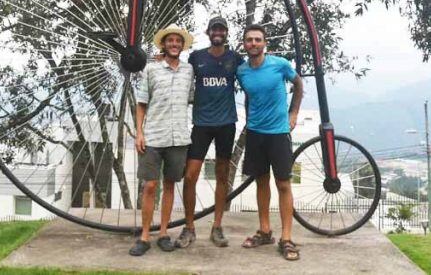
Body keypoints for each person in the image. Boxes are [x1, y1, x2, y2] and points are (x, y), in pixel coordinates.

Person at [174, 16, 243, 249]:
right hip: (201, 124)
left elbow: (253, 74)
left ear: (226, 33)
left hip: (226, 124)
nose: (218, 32)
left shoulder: (234, 58)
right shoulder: (196, 58)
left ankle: (217, 226)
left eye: (222, 29)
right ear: (208, 31)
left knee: (222, 176)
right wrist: (162, 58)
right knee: (191, 175)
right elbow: (179, 73)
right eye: (214, 28)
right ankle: (189, 227)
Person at [236, 23, 303, 261]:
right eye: (249, 40)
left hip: (278, 133)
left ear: (264, 43)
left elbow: (298, 84)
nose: (253, 43)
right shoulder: (242, 71)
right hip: (255, 134)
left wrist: (293, 114)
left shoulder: (279, 65)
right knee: (261, 183)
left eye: (257, 40)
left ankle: (286, 238)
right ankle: (265, 231)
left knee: (283, 184)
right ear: (244, 44)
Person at [129, 24, 195, 257]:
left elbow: (191, 98)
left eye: (178, 41)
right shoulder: (151, 70)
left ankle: (164, 233)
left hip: (178, 138)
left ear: (182, 45)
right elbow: (141, 103)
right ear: (164, 44)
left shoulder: (189, 71)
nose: (174, 44)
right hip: (154, 136)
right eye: (170, 41)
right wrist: (139, 132)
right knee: (149, 186)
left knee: (169, 186)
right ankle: (145, 235)